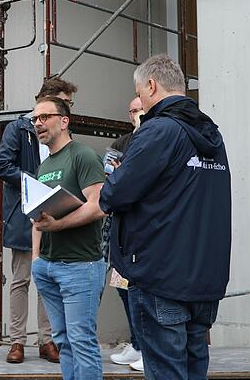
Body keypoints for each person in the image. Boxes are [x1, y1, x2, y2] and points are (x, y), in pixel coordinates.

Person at [100, 54, 231, 380]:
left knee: (167, 372)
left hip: (161, 278)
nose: (141, 102)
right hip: (204, 280)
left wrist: (117, 177)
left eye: (140, 93)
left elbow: (114, 194)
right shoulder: (212, 136)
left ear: (151, 85)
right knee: (193, 369)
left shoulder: (158, 130)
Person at [0, 77, 77, 364]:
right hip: (24, 213)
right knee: (21, 279)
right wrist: (37, 185)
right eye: (67, 102)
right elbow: (2, 165)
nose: (70, 108)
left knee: (48, 279)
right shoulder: (17, 128)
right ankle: (17, 341)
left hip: (54, 213)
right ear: (50, 100)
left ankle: (47, 340)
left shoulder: (64, 130)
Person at [30, 96, 106, 380]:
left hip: (80, 266)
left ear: (64, 121)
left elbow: (98, 206)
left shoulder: (83, 155)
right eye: (34, 119)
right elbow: (36, 218)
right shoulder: (45, 165)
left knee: (81, 341)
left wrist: (57, 225)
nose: (38, 123)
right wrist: (37, 259)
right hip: (48, 266)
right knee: (62, 341)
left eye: (44, 117)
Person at [108, 96, 145, 371]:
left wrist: (125, 173)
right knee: (123, 289)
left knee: (143, 291)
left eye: (140, 109)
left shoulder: (154, 139)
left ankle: (147, 345)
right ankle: (137, 342)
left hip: (144, 231)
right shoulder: (123, 142)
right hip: (121, 231)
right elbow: (110, 171)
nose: (135, 115)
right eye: (132, 110)